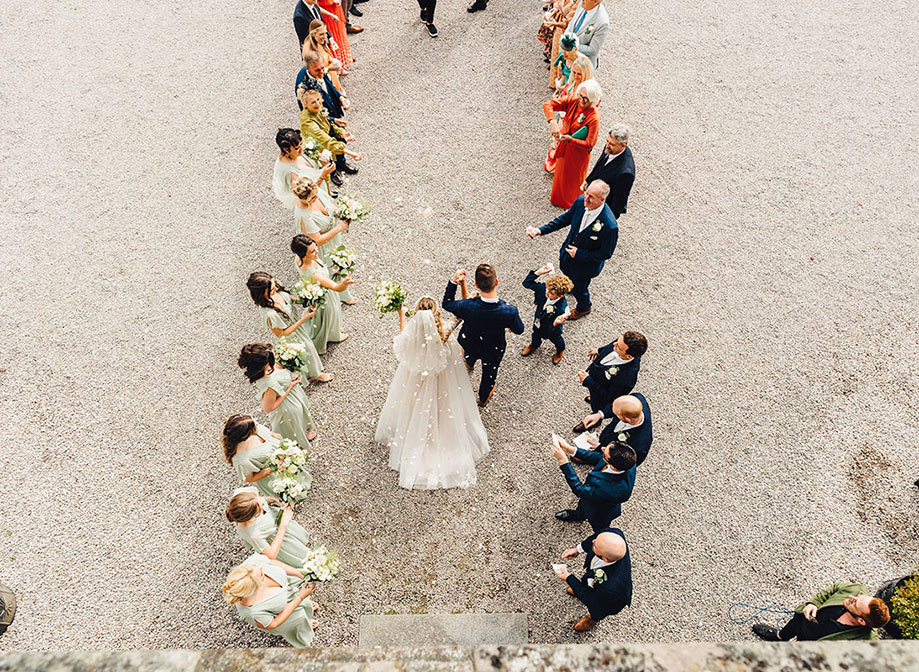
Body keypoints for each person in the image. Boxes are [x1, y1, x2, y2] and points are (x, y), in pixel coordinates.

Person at [375, 297, 490, 489]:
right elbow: (460, 313)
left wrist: (401, 313)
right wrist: (465, 290)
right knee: (444, 406)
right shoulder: (443, 330)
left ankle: (414, 431)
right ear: (436, 314)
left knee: (414, 403)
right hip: (441, 379)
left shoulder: (412, 332)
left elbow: (402, 334)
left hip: (417, 376)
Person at [526, 179, 617, 320]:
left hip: (584, 267)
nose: (586, 198)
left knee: (580, 289)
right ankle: (571, 287)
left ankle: (584, 307)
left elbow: (606, 253)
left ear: (602, 199)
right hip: (567, 256)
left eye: (591, 197)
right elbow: (564, 219)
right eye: (586, 193)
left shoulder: (609, 225)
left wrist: (579, 253)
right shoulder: (581, 202)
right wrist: (540, 231)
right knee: (568, 275)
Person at [442, 265, 525, 408]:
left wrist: (454, 282)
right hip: (493, 349)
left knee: (470, 352)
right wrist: (509, 325)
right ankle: (483, 397)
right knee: (489, 374)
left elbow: (447, 303)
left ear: (476, 285)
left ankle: (469, 362)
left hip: (470, 341)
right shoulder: (509, 311)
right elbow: (519, 330)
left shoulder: (467, 306)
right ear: (497, 282)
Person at [246, 271, 330, 383]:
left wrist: (308, 298)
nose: (275, 289)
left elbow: (291, 299)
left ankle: (312, 372)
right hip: (291, 335)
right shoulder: (270, 314)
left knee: (308, 347)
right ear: (262, 294)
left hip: (298, 328)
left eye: (274, 284)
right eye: (271, 290)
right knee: (307, 349)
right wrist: (304, 318)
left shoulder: (275, 290)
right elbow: (282, 334)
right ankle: (315, 374)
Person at [222, 552, 318, 647]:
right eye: (261, 574)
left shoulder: (249, 568)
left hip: (289, 589)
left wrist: (298, 573)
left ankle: (304, 605)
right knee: (299, 617)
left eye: (256, 567)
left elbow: (272, 562)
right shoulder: (253, 611)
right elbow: (273, 623)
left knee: (303, 601)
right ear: (256, 588)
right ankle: (303, 626)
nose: (260, 568)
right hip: (281, 614)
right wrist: (300, 597)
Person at [238, 343, 319, 448]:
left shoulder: (266, 367)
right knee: (292, 423)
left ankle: (303, 431)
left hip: (293, 395)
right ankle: (298, 439)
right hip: (287, 405)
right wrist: (290, 386)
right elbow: (268, 408)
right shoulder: (269, 383)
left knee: (300, 417)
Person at [291, 178, 356, 305]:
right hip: (323, 245)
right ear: (302, 199)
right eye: (312, 198)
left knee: (340, 263)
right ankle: (341, 293)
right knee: (333, 268)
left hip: (333, 238)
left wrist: (346, 210)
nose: (316, 198)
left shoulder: (315, 192)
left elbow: (331, 207)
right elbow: (317, 240)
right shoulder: (304, 216)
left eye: (316, 194)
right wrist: (339, 228)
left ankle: (342, 290)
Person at [555, 527, 632, 632]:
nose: (593, 541)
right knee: (587, 582)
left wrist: (569, 578)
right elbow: (596, 538)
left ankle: (592, 619)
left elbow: (590, 599)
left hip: (607, 601)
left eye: (595, 545)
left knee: (598, 610)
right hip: (596, 582)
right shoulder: (613, 534)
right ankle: (580, 589)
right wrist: (578, 549)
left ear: (605, 559)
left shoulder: (611, 588)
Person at [752, 583, 890, 641]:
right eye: (858, 596)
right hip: (803, 620)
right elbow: (833, 589)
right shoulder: (856, 589)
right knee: (794, 625)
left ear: (861, 621)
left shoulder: (867, 641)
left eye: (855, 602)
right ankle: (780, 637)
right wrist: (813, 603)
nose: (851, 597)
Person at [551, 436, 636, 531]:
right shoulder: (629, 460)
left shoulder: (611, 489)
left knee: (599, 527)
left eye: (605, 454)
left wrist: (563, 461)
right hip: (590, 500)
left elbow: (579, 490)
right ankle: (578, 515)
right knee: (583, 507)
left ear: (612, 465)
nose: (602, 449)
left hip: (600, 512)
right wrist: (570, 449)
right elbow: (597, 457)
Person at [222, 414, 312, 502]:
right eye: (254, 424)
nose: (257, 423)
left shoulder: (251, 426)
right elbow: (250, 478)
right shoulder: (242, 459)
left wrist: (284, 444)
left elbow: (271, 434)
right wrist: (274, 468)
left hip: (283, 457)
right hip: (272, 473)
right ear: (245, 435)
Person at [291, 234, 356, 354]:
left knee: (318, 319)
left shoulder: (298, 258)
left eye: (315, 247)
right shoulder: (315, 275)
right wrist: (346, 282)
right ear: (303, 254)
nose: (316, 251)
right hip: (326, 296)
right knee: (330, 316)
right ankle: (333, 336)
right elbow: (337, 288)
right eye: (312, 251)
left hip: (316, 291)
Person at [541, 79, 602, 208]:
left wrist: (570, 140)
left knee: (573, 181)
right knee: (561, 176)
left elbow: (589, 144)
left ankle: (573, 205)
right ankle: (558, 200)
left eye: (587, 98)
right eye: (581, 96)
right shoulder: (574, 100)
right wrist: (552, 122)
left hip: (578, 156)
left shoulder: (594, 117)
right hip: (564, 147)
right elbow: (548, 105)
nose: (582, 100)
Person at [227, 486, 312, 567]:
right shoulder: (253, 535)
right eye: (261, 505)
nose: (262, 502)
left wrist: (273, 500)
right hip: (280, 541)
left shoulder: (242, 498)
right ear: (252, 515)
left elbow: (261, 500)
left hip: (282, 527)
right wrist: (283, 524)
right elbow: (271, 555)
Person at [575, 331, 647, 418]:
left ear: (629, 357)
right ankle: (593, 397)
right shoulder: (621, 343)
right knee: (594, 396)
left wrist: (588, 381)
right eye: (617, 340)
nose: (614, 344)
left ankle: (595, 420)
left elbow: (610, 397)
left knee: (597, 405)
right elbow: (610, 346)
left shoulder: (627, 378)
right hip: (597, 379)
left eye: (618, 347)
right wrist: (599, 350)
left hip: (601, 393)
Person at [298, 84, 362, 178]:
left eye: (318, 99)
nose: (318, 104)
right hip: (316, 148)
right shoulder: (307, 122)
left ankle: (340, 165)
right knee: (324, 170)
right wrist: (351, 153)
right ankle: (331, 175)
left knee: (333, 155)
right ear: (305, 105)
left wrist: (341, 132)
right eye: (313, 102)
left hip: (325, 141)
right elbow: (324, 140)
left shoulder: (319, 108)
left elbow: (327, 123)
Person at [544, 54, 594, 174]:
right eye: (574, 72)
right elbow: (565, 94)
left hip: (574, 123)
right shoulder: (572, 81)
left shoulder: (589, 91)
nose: (576, 76)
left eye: (579, 74)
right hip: (563, 118)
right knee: (556, 141)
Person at [580, 394, 653, 466]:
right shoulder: (636, 398)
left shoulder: (641, 444)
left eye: (616, 414)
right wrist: (599, 415)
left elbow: (628, 463)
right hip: (609, 434)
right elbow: (616, 406)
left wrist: (603, 449)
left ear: (626, 419)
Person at [521, 265, 574, 364]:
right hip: (538, 320)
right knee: (535, 334)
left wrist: (555, 323)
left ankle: (560, 351)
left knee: (557, 340)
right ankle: (534, 345)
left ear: (560, 295)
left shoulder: (561, 308)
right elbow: (526, 283)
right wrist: (538, 273)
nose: (547, 293)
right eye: (547, 290)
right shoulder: (544, 289)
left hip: (553, 328)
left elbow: (552, 326)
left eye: (551, 294)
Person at [274, 128, 336, 209]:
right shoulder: (291, 174)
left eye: (301, 144)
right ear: (286, 149)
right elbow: (306, 195)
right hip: (315, 195)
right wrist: (323, 175)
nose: (301, 150)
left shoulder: (294, 152)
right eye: (297, 148)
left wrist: (318, 157)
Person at [582, 125, 635, 218]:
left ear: (623, 145)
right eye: (607, 141)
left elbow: (619, 202)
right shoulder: (610, 148)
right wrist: (588, 180)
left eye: (612, 144)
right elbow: (599, 165)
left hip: (602, 206)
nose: (607, 145)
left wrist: (606, 219)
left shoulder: (625, 173)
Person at [297, 51, 350, 120]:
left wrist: (340, 97)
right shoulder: (302, 85)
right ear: (308, 68)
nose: (322, 72)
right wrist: (332, 120)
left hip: (335, 113)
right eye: (317, 70)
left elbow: (329, 85)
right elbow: (309, 113)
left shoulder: (319, 69)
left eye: (323, 68)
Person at [564, 0, 609, 69]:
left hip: (583, 66)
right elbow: (572, 23)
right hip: (568, 59)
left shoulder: (602, 22)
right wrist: (565, 38)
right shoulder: (582, 3)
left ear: (596, 1)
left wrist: (571, 46)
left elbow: (592, 50)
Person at [304, 19, 346, 91]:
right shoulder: (310, 52)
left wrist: (333, 60)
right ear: (313, 34)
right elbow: (314, 74)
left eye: (325, 33)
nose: (325, 36)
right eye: (321, 34)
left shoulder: (320, 42)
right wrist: (330, 68)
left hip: (332, 77)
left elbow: (326, 56)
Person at [316, 1, 355, 68]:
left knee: (340, 35)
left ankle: (343, 58)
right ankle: (337, 63)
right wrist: (330, 14)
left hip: (336, 10)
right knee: (333, 36)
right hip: (328, 13)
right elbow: (316, 7)